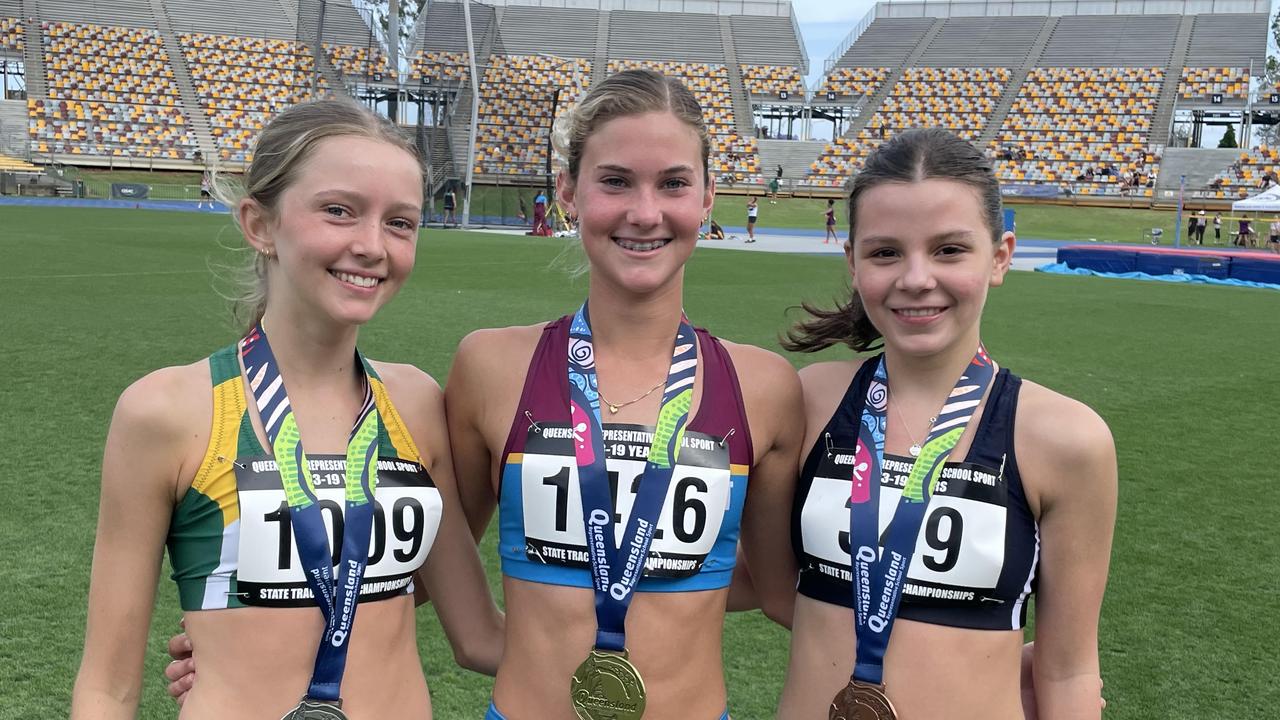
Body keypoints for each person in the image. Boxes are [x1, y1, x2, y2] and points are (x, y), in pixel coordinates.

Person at [71, 98, 503, 719]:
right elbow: (107, 687)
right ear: (259, 223)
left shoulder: (416, 401)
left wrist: (671, 659)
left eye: (401, 222)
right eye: (338, 211)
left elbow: (477, 631)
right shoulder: (166, 412)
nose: (371, 245)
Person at [446, 68, 803, 720]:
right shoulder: (491, 367)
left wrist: (1000, 661)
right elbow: (424, 562)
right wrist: (233, 641)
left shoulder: (764, 387)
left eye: (673, 183)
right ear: (568, 193)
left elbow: (783, 594)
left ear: (706, 198)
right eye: (615, 181)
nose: (645, 212)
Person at [777, 128, 1115, 719]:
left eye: (949, 250)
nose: (915, 278)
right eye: (885, 252)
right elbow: (749, 578)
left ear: (1000, 256)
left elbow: (1069, 668)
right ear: (852, 262)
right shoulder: (805, 403)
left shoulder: (1065, 439)